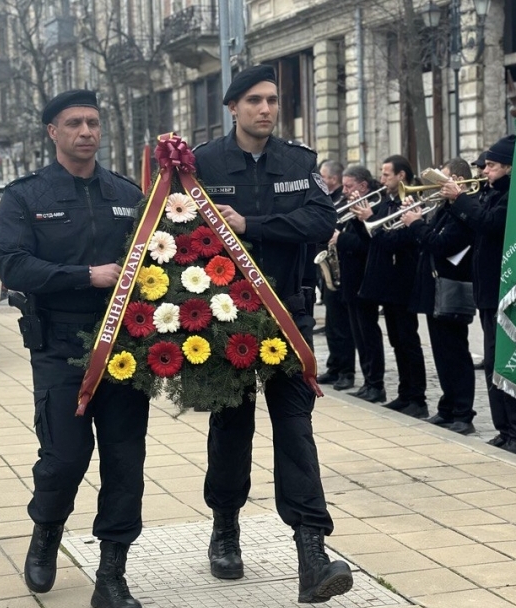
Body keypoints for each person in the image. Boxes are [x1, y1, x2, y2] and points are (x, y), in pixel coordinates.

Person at [193, 64, 353, 603]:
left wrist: (252, 226)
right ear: (233, 107)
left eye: (273, 100)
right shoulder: (204, 164)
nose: (266, 109)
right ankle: (225, 527)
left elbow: (319, 222)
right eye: (255, 101)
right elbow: (182, 230)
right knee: (231, 427)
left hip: (290, 312)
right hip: (225, 318)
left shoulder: (298, 162)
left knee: (295, 429)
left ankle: (311, 550)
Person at [0, 89, 151, 607]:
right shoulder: (26, 197)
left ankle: (112, 573)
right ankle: (46, 533)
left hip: (126, 348)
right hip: (60, 344)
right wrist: (84, 276)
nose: (87, 131)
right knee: (64, 457)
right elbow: (12, 264)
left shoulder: (128, 192)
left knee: (125, 461)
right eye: (75, 123)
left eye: (93, 123)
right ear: (52, 132)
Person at [441, 135, 516, 456]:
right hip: (487, 292)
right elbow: (475, 223)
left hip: (505, 292)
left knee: (506, 363)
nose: (485, 171)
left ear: (508, 167)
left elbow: (489, 224)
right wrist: (455, 203)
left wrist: (460, 199)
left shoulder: (514, 198)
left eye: (491, 166)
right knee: (494, 364)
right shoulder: (493, 193)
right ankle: (504, 429)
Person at [400, 158, 477, 432]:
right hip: (435, 288)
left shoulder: (463, 210)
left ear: (455, 178)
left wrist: (416, 224)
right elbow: (431, 236)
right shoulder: (446, 208)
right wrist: (418, 219)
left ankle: (463, 413)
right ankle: (448, 407)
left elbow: (441, 243)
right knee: (442, 353)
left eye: (441, 179)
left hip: (452, 287)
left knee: (456, 352)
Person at [350, 155, 428, 413]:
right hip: (388, 284)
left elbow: (396, 241)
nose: (381, 180)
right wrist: (363, 221)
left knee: (408, 341)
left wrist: (373, 222)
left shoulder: (411, 203)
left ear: (401, 176)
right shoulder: (388, 202)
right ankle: (405, 394)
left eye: (386, 175)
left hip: (403, 282)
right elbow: (374, 239)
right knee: (397, 340)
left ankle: (417, 398)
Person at [333, 166, 387, 402]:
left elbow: (369, 243)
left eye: (349, 186)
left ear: (363, 186)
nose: (344, 191)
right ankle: (368, 381)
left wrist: (341, 238)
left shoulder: (375, 206)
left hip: (365, 277)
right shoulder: (356, 207)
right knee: (358, 333)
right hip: (349, 278)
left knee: (368, 332)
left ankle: (376, 383)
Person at [315, 159, 356, 391]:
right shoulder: (333, 199)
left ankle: (346, 371)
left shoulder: (346, 200)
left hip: (345, 272)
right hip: (330, 268)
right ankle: (334, 366)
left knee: (342, 327)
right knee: (332, 324)